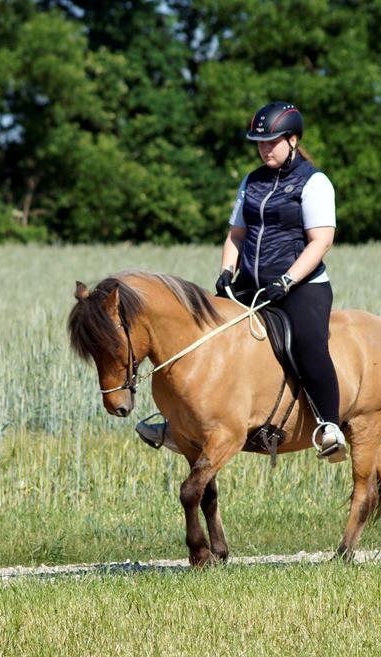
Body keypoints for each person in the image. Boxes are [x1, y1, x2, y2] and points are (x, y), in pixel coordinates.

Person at [137, 101, 345, 459]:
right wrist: (226, 272)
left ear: (293, 140)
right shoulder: (252, 181)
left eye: (272, 142)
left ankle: (329, 426)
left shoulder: (315, 182)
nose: (264, 149)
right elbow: (236, 233)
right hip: (250, 284)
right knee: (206, 337)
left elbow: (321, 241)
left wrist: (288, 279)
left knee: (309, 344)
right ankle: (180, 424)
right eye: (260, 143)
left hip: (302, 286)